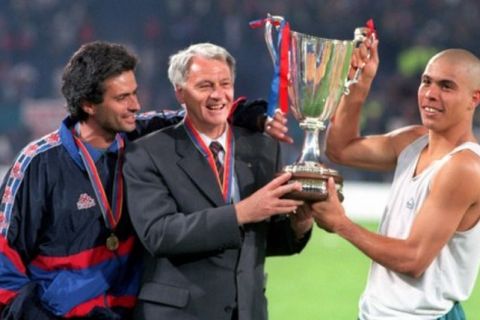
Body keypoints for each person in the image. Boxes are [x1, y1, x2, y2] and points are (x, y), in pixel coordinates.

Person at [0, 41, 288, 319]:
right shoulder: (38, 164)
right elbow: (4, 260)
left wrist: (257, 116)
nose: (136, 105)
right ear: (88, 104)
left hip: (127, 312)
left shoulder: (140, 135)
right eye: (122, 98)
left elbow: (199, 111)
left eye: (135, 93)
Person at [123, 42, 313, 320]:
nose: (218, 95)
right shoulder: (147, 152)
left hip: (248, 311)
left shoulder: (262, 148)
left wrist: (297, 226)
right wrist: (240, 213)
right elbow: (159, 234)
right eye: (204, 86)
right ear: (180, 93)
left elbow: (257, 241)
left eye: (225, 83)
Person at [311, 38, 480, 319]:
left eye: (446, 86)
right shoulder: (412, 142)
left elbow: (414, 259)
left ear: (474, 98)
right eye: (426, 82)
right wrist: (360, 82)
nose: (430, 93)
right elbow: (340, 149)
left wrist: (341, 224)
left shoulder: (465, 167)